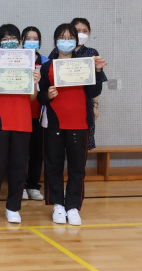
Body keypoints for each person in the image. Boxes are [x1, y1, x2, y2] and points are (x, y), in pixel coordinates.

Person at [39, 23, 106, 226]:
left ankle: (73, 206)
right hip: (55, 123)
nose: (66, 41)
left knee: (77, 167)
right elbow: (40, 97)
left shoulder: (84, 65)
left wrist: (97, 72)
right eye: (62, 37)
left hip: (80, 122)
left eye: (70, 38)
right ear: (55, 41)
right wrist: (47, 95)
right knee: (53, 164)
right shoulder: (47, 66)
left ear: (76, 42)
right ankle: (58, 205)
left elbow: (93, 92)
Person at [0, 24, 41, 224]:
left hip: (22, 121)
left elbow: (32, 97)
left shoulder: (28, 61)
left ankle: (13, 207)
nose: (9, 42)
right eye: (5, 39)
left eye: (13, 38)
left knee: (19, 167)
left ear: (20, 41)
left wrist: (35, 81)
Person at [47, 17, 106, 150]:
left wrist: (95, 105)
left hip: (82, 107)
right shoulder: (56, 52)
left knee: (80, 149)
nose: (81, 34)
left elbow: (95, 85)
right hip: (59, 105)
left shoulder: (91, 53)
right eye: (78, 31)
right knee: (56, 149)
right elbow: (48, 76)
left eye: (85, 31)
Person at [21, 26, 47, 202]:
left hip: (40, 114)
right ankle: (21, 185)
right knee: (21, 152)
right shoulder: (16, 60)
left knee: (37, 152)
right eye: (28, 38)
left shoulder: (47, 62)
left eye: (35, 38)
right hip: (21, 113)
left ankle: (33, 185)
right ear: (22, 41)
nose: (32, 41)